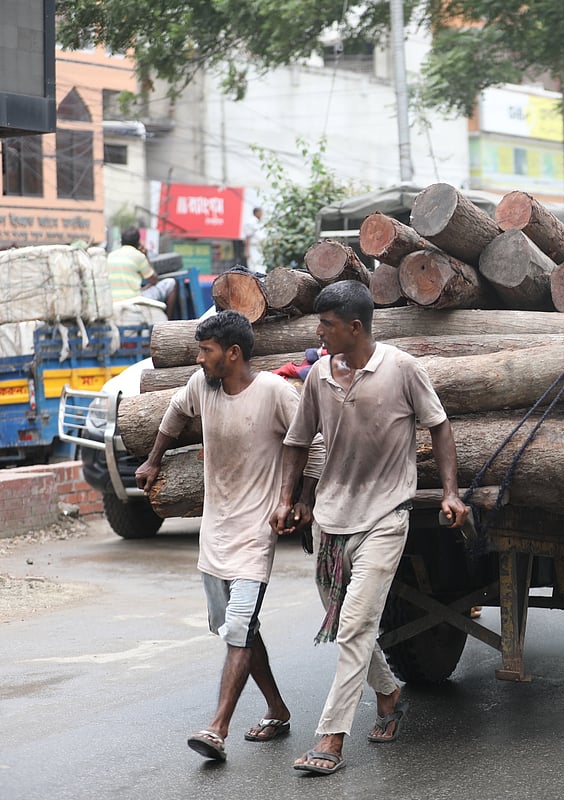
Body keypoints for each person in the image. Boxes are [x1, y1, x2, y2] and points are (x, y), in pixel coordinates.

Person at [270, 280, 469, 777]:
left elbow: (439, 425)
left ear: (355, 327)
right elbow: (298, 440)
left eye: (327, 325)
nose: (318, 333)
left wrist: (449, 492)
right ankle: (389, 692)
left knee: (356, 625)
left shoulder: (401, 369)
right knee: (343, 624)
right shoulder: (318, 374)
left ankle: (331, 737)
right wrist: (288, 499)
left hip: (385, 516)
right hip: (332, 521)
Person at [135, 310, 321, 763]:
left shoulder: (277, 393)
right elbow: (175, 413)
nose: (199, 359)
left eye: (206, 351)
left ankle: (217, 727)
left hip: (257, 531)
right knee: (237, 630)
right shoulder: (203, 387)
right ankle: (277, 709)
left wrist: (304, 501)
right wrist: (154, 460)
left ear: (232, 353)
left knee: (238, 625)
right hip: (214, 532)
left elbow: (313, 443)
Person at [108, 226, 177, 313]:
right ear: (138, 242)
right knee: (171, 283)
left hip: (113, 300)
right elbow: (154, 280)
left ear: (121, 241)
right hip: (133, 299)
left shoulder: (110, 256)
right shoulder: (138, 256)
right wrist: (146, 256)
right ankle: (168, 320)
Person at [244, 207, 266, 271]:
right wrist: (247, 250)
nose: (262, 214)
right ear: (257, 213)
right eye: (261, 212)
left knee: (261, 265)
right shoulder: (251, 222)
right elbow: (247, 237)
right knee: (254, 265)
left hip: (261, 247)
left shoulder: (260, 222)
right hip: (253, 247)